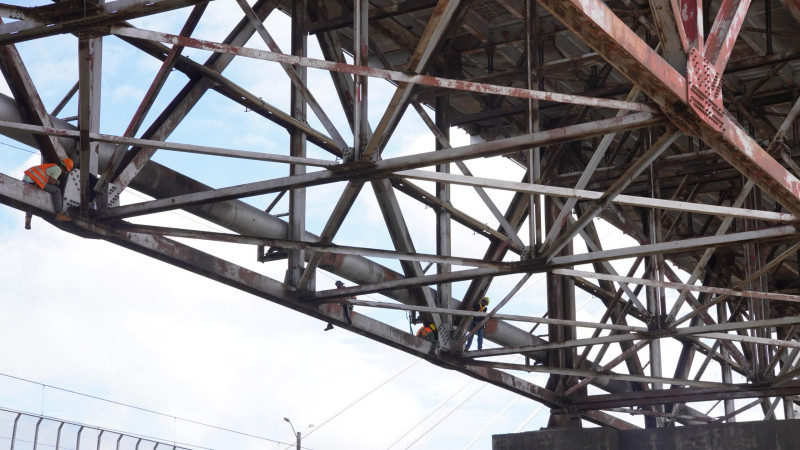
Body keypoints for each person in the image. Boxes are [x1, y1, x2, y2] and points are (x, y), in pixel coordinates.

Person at [23, 158, 74, 228]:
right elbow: (51, 181)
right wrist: (57, 182)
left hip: (28, 178)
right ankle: (59, 214)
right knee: (57, 191)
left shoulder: (51, 166)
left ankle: (28, 219)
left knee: (32, 198)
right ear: (65, 169)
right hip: (35, 180)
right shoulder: (58, 169)